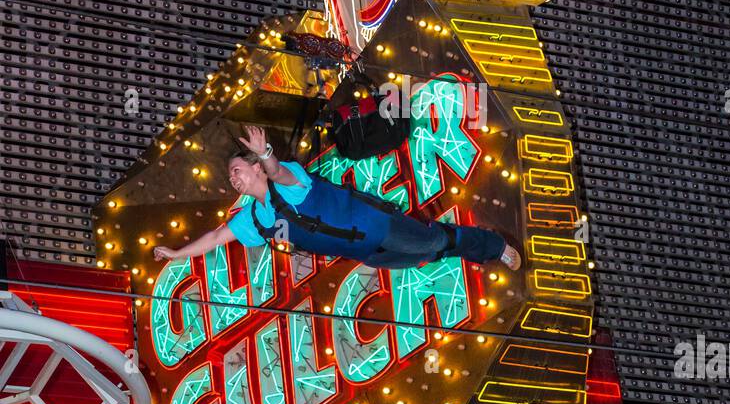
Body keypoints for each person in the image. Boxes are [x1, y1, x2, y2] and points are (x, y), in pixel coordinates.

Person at [154, 125, 521, 272]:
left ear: (256, 169)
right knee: (429, 254)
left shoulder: (288, 180)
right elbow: (217, 238)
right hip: (363, 251)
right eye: (230, 175)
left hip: (377, 226)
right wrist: (175, 252)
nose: (232, 178)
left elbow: (278, 170)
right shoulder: (255, 218)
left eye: (237, 169)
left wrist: (264, 150)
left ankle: (492, 245)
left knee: (436, 240)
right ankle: (474, 248)